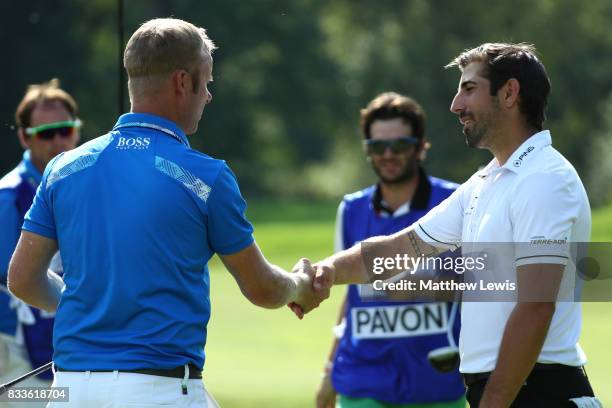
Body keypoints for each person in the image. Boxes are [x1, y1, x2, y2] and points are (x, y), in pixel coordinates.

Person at [8, 18, 328, 408]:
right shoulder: (207, 176)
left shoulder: (62, 168)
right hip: (161, 393)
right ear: (182, 82)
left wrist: (89, 305)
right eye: (206, 82)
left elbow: (23, 279)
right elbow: (262, 288)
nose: (208, 95)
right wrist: (298, 284)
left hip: (72, 392)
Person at [297, 43, 599, 407]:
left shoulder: (545, 180)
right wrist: (326, 272)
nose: (456, 105)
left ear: (509, 93)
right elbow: (400, 249)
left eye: (469, 89)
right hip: (509, 393)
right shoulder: (485, 182)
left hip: (541, 392)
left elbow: (536, 307)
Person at [315, 92, 465, 408]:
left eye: (398, 145)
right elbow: (350, 299)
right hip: (363, 381)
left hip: (437, 383)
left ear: (420, 146)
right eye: (376, 147)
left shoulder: (456, 203)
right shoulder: (351, 210)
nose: (388, 154)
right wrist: (330, 370)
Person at [0, 79, 80, 407]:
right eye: (46, 134)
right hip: (15, 349)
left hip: (69, 344)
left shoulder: (87, 187)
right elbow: (13, 276)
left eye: (66, 130)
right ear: (24, 136)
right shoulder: (8, 196)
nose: (58, 142)